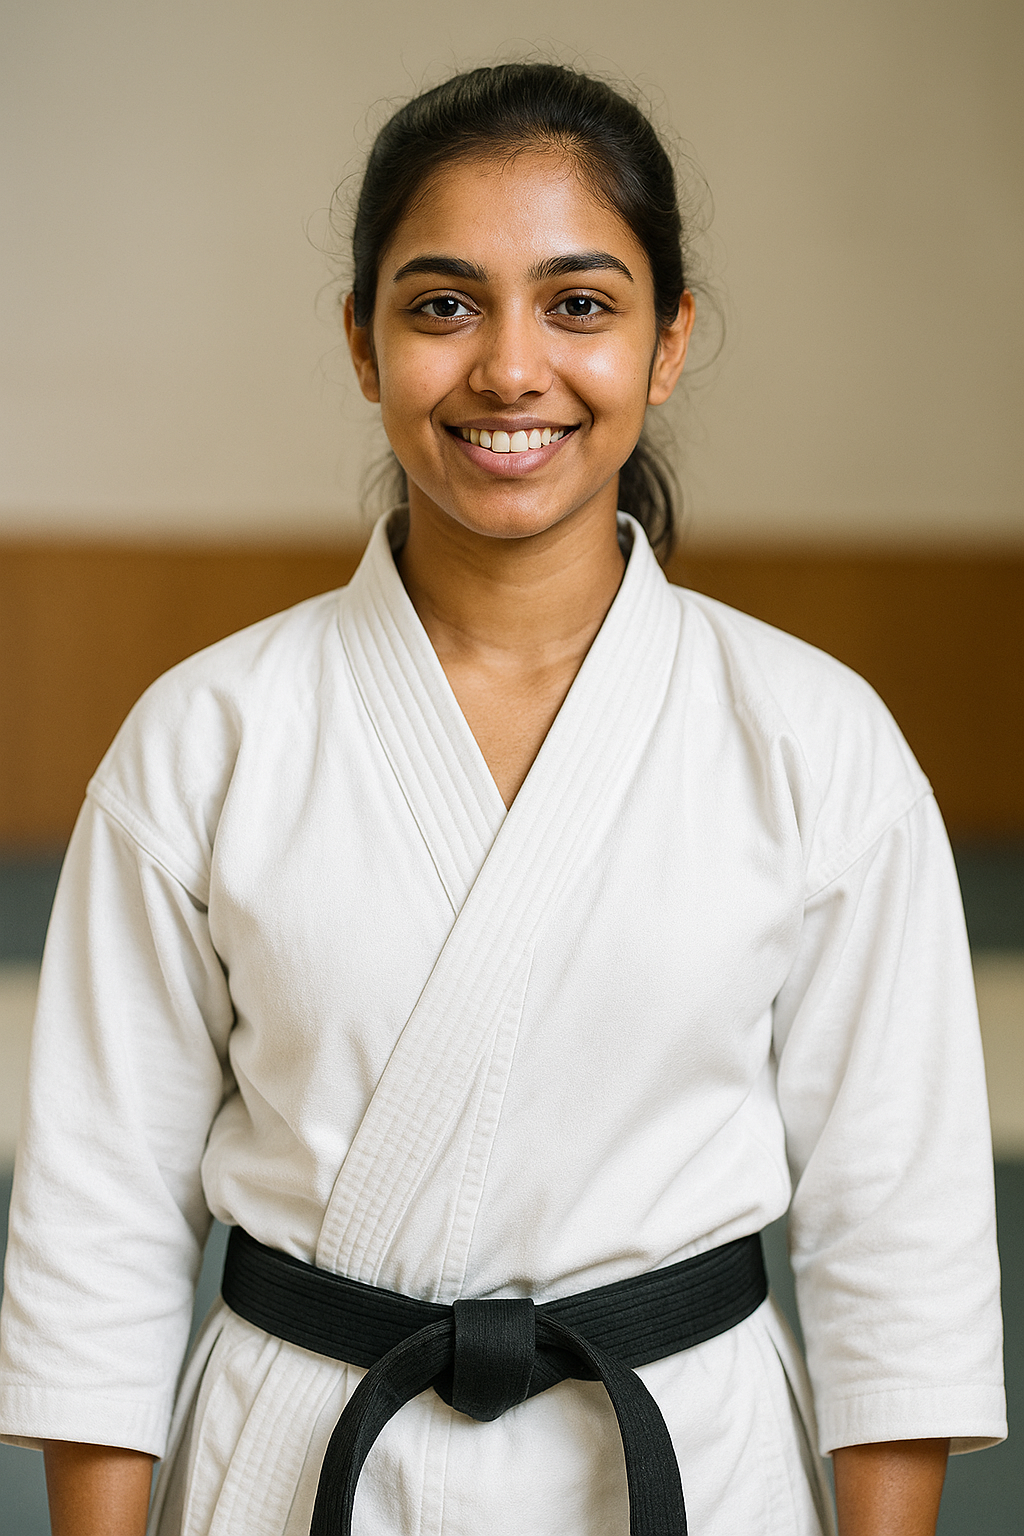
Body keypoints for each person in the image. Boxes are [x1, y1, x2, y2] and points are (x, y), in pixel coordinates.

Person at [0, 61, 1005, 1536]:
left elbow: (894, 1223)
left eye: (581, 304)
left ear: (669, 343)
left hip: (690, 1464)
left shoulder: (810, 738)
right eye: (444, 304)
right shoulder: (208, 738)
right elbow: (101, 1212)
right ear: (363, 342)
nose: (510, 368)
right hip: (300, 1465)